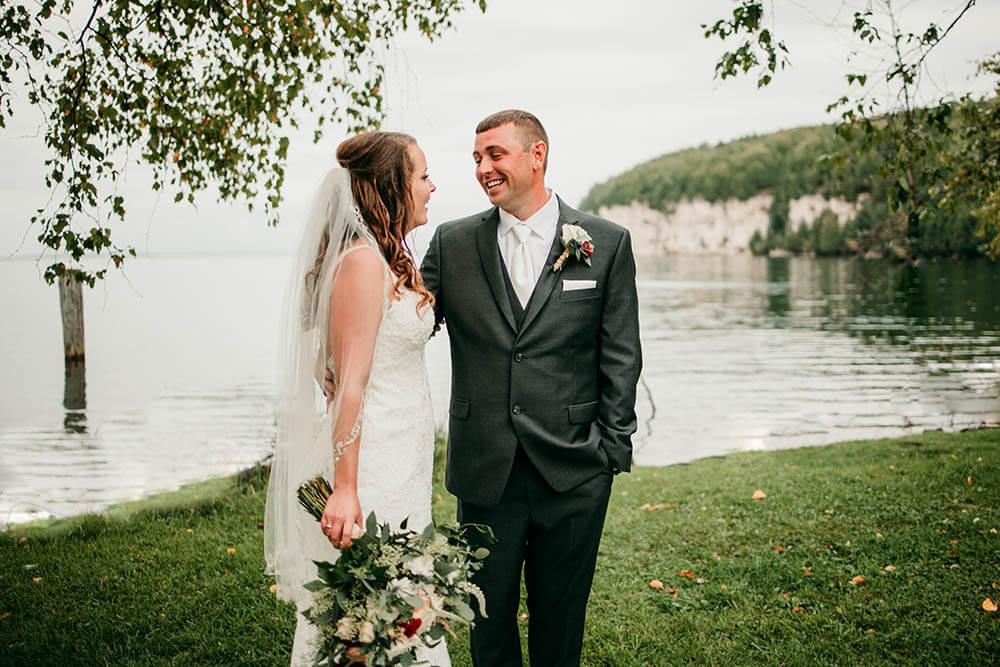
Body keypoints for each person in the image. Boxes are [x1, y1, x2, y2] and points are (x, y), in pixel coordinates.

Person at [421, 110, 642, 666]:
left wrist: (612, 445)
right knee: (485, 620)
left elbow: (621, 351)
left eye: (495, 154)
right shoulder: (452, 243)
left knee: (560, 620)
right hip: (484, 468)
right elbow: (406, 321)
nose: (482, 169)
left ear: (536, 155)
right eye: (476, 158)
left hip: (574, 468)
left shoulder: (605, 242)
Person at [263, 131, 450, 666]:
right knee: (366, 605)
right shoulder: (363, 263)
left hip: (401, 458)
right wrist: (345, 490)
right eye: (422, 175)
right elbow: (351, 386)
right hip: (371, 467)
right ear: (393, 186)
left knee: (400, 600)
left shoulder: (386, 260)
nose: (432, 186)